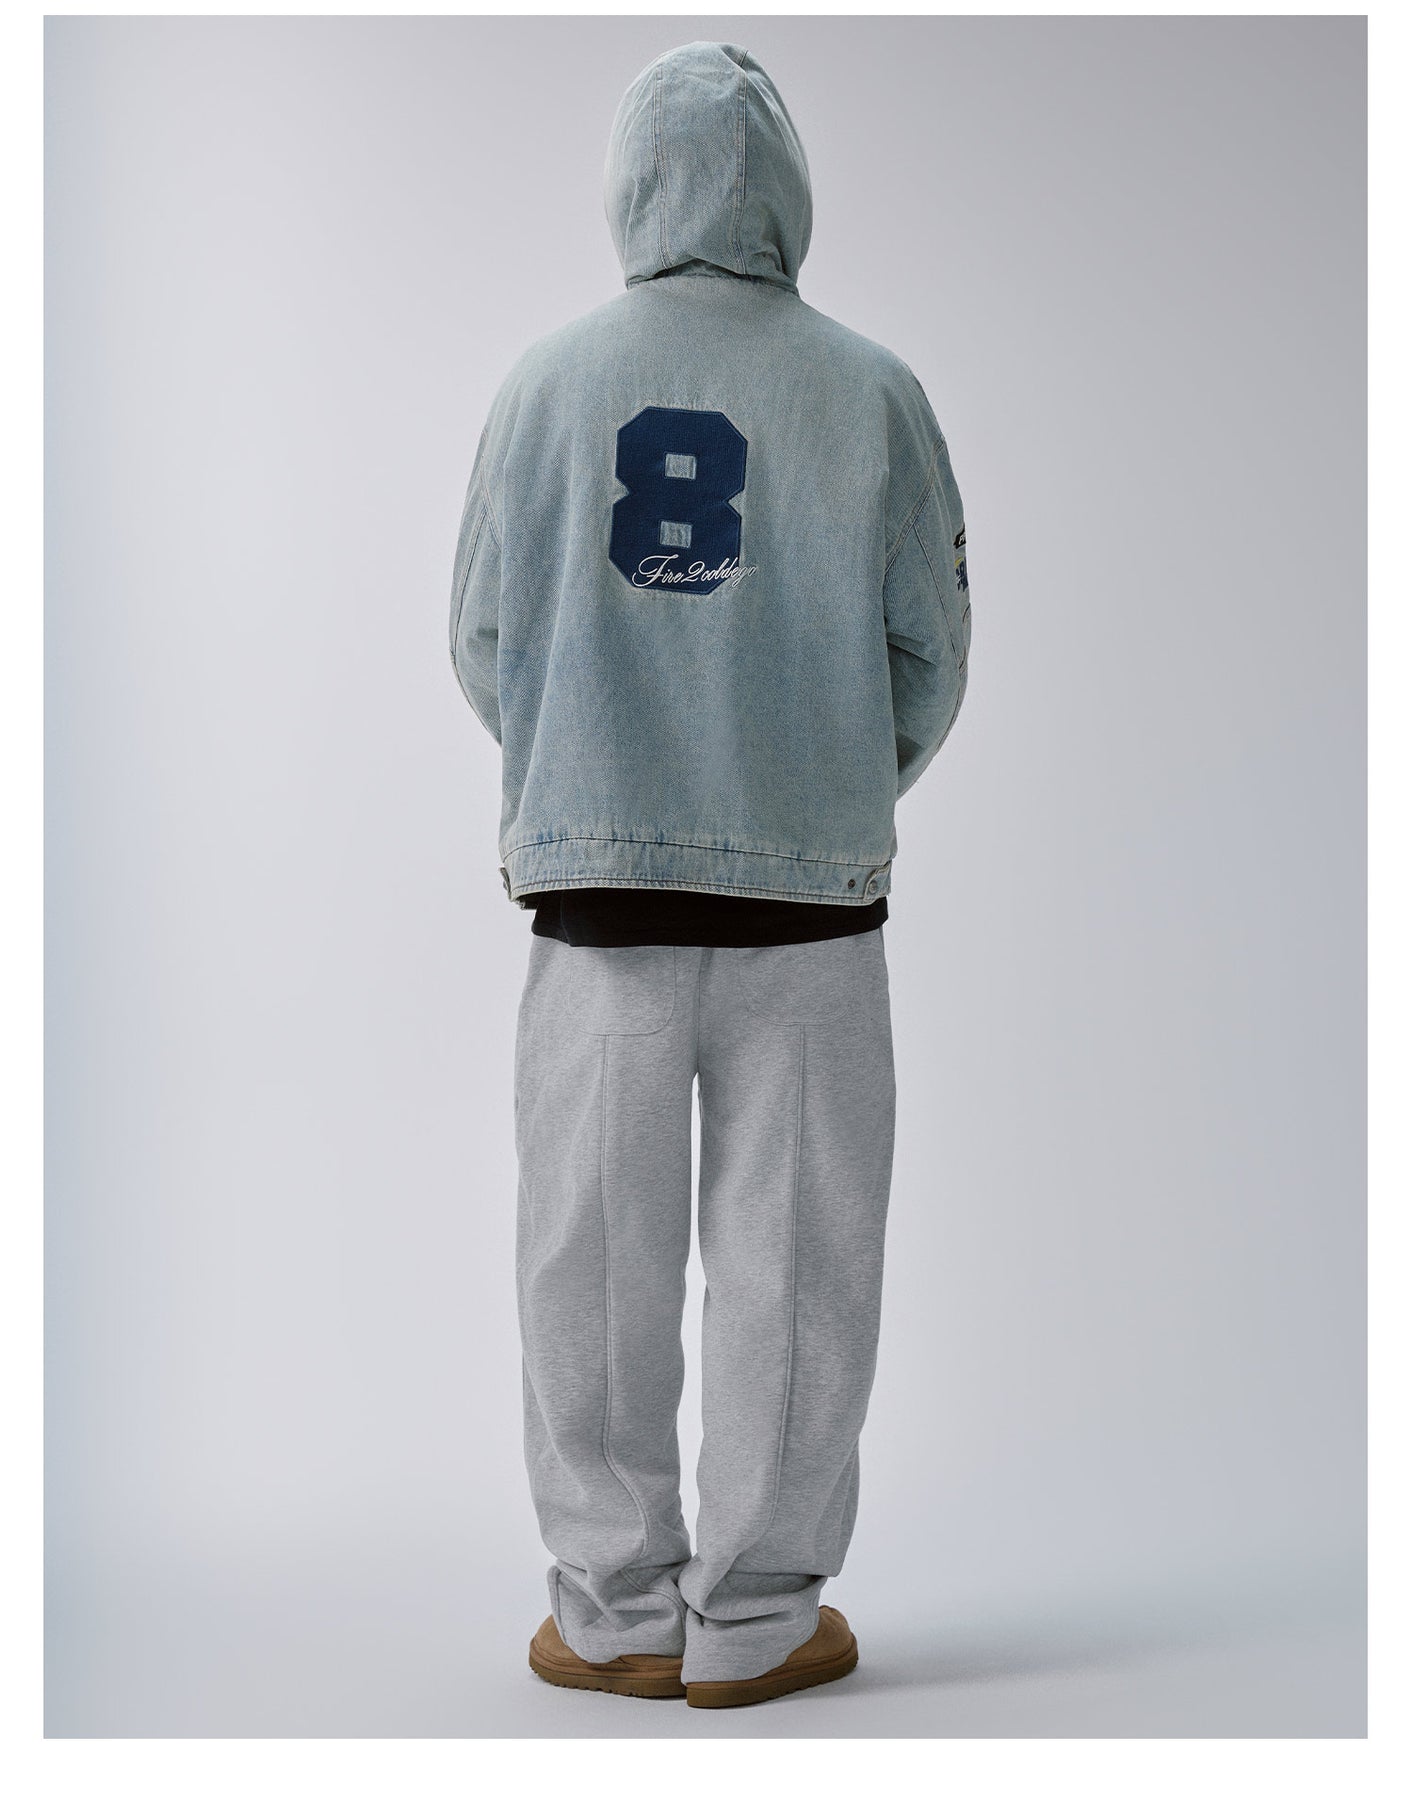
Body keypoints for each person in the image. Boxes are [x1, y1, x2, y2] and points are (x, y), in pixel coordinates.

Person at [449, 40, 971, 1710]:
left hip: (596, 900)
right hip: (810, 909)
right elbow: (930, 652)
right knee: (798, 1262)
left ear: (629, 185)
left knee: (586, 1255)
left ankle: (612, 1613)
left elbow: (482, 640)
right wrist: (818, 785)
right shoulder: (873, 390)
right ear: (786, 191)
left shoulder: (540, 384)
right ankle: (753, 1620)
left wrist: (597, 782)